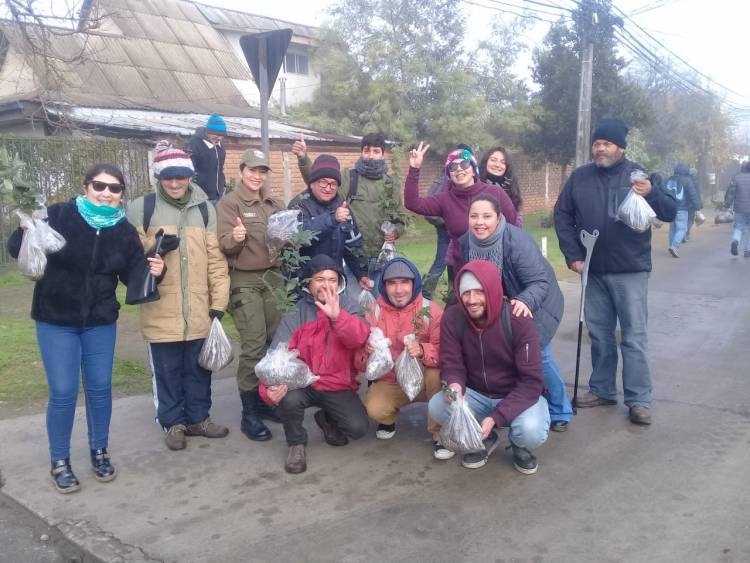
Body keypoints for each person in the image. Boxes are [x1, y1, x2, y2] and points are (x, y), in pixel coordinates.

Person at [7, 164, 165, 493]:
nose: (106, 193)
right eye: (99, 185)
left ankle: (99, 451)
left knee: (99, 389)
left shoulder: (123, 230)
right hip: (56, 320)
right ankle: (60, 461)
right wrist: (26, 227)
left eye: (115, 188)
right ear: (86, 186)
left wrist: (157, 270)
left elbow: (133, 277)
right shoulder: (58, 215)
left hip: (99, 321)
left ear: (122, 194)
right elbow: (16, 250)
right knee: (63, 392)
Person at [554, 118, 676, 425]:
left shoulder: (638, 176)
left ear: (620, 147)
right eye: (596, 143)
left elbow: (670, 212)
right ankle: (603, 389)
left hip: (630, 270)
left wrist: (651, 193)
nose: (600, 149)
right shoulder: (580, 178)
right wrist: (572, 256)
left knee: (633, 336)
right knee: (600, 334)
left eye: (606, 143)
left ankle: (638, 399)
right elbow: (562, 214)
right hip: (592, 270)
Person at [127, 142, 230, 450]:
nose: (174, 183)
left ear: (190, 176)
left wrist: (218, 305)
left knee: (199, 368)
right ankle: (173, 423)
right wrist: (153, 249)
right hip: (161, 308)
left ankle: (199, 418)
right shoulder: (140, 208)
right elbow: (129, 260)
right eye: (168, 177)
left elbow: (216, 261)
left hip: (198, 307)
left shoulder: (204, 209)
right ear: (159, 177)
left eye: (180, 177)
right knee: (167, 371)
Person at [457, 194, 573, 430]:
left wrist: (524, 301)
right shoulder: (465, 243)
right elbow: (464, 279)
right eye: (474, 216)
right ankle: (514, 405)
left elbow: (540, 282)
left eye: (487, 216)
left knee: (539, 357)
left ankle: (560, 409)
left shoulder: (515, 241)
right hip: (497, 308)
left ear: (498, 217)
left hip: (536, 303)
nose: (480, 222)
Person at [428, 261, 550, 474]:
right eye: (466, 293)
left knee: (531, 430)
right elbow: (452, 363)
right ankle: (484, 437)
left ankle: (518, 444)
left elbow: (531, 382)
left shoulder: (517, 319)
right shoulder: (453, 317)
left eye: (479, 292)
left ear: (492, 290)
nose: (472, 300)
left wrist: (496, 417)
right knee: (437, 406)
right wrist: (455, 386)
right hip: (477, 394)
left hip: (516, 394)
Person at [258, 255, 370, 474]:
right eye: (320, 279)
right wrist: (267, 390)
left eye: (332, 279)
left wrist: (338, 317)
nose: (327, 285)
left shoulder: (350, 307)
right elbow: (275, 358)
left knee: (358, 428)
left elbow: (360, 339)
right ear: (309, 282)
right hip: (303, 384)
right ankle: (296, 444)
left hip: (337, 385)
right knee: (288, 398)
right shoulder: (295, 312)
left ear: (340, 283)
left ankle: (327, 419)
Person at [216, 149, 284, 442]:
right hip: (245, 281)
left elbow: (285, 240)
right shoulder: (230, 204)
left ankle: (265, 402)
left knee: (274, 343)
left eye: (262, 171)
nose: (257, 176)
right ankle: (249, 413)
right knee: (254, 345)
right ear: (241, 171)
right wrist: (236, 238)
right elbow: (223, 243)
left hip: (274, 279)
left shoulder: (274, 203)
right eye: (252, 170)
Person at [354, 257, 449, 458]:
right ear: (384, 285)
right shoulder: (372, 311)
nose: (399, 290)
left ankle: (439, 432)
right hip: (391, 380)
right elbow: (359, 363)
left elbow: (447, 353)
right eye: (392, 283)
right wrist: (367, 351)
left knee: (436, 374)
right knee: (375, 409)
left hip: (424, 379)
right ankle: (388, 420)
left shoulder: (431, 310)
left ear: (414, 284)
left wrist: (423, 350)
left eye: (404, 282)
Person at [293, 132, 406, 295]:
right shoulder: (349, 178)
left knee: (384, 304)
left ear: (383, 154)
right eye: (366, 151)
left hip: (382, 256)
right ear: (361, 152)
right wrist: (303, 159)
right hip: (353, 255)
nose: (370, 156)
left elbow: (400, 219)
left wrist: (396, 231)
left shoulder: (390, 185)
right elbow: (321, 182)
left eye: (376, 151)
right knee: (353, 307)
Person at [404, 143, 518, 287]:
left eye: (464, 164)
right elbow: (412, 203)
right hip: (462, 269)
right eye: (452, 166)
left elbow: (513, 225)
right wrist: (414, 169)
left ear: (473, 169)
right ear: (449, 174)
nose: (459, 169)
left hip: (496, 266)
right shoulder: (444, 200)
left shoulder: (494, 192)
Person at [288, 154, 364, 283]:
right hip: (304, 281)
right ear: (312, 183)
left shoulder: (341, 205)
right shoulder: (298, 205)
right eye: (323, 182)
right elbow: (299, 238)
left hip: (334, 280)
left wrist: (360, 273)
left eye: (333, 183)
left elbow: (351, 245)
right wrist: (331, 219)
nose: (328, 188)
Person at [422, 143, 473, 300]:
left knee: (458, 264)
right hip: (447, 231)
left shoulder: (474, 182)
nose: (461, 166)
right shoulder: (443, 181)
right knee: (441, 262)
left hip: (468, 231)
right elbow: (428, 209)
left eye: (466, 160)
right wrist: (447, 219)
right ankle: (425, 294)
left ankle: (454, 293)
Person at [479, 146, 523, 227]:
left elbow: (517, 223)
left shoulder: (511, 188)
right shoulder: (476, 186)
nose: (497, 165)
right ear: (485, 162)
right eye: (493, 160)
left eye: (503, 162)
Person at [188, 113, 227, 204]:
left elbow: (220, 168)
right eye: (216, 135)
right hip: (201, 196)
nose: (219, 138)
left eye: (222, 135)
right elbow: (189, 169)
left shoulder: (221, 145)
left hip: (219, 195)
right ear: (208, 132)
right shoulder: (195, 143)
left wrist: (223, 184)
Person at [665, 163, 700, 258]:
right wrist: (698, 206)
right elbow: (693, 194)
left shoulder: (669, 179)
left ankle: (671, 246)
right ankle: (674, 246)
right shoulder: (688, 180)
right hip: (682, 208)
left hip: (670, 208)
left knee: (672, 228)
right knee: (682, 229)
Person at [724, 161, 750, 257]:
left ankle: (735, 240)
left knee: (738, 226)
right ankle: (747, 250)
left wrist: (727, 204)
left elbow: (731, 193)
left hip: (739, 207)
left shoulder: (737, 177)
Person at [684, 167, 703, 242]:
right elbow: (697, 194)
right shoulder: (695, 182)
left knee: (685, 219)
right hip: (692, 204)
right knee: (690, 220)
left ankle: (684, 233)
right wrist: (699, 205)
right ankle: (686, 233)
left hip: (684, 203)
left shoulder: (685, 180)